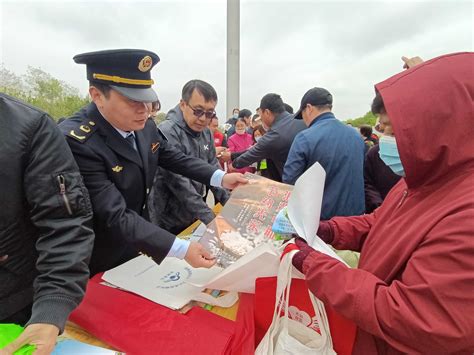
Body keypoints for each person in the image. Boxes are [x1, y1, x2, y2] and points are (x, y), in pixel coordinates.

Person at [292, 52, 474, 354]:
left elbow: (415, 317)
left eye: (391, 130)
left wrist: (315, 265)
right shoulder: (428, 178)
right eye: (381, 129)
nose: (383, 140)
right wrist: (330, 230)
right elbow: (382, 222)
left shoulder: (466, 213)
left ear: (440, 127)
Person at [59, 49, 246, 275]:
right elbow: (114, 214)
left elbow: (174, 158)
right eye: (132, 100)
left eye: (147, 100)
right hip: (98, 253)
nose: (144, 110)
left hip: (141, 239)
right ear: (97, 95)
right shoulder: (78, 142)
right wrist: (181, 249)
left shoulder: (144, 125)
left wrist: (221, 178)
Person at [0, 93, 94, 354]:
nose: (143, 110)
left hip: (12, 304)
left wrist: (52, 305)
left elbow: (65, 223)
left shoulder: (29, 127)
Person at [149, 80, 230, 234]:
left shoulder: (206, 132)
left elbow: (213, 167)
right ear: (183, 104)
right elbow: (179, 183)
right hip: (168, 219)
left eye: (209, 113)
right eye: (198, 111)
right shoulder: (167, 132)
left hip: (194, 214)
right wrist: (211, 219)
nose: (203, 119)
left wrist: (231, 203)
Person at [283, 87, 365, 219]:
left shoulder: (305, 138)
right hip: (355, 221)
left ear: (309, 108)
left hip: (321, 222)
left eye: (302, 114)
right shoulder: (356, 136)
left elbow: (290, 182)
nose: (304, 120)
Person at [222, 93, 306, 182]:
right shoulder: (302, 121)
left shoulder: (275, 134)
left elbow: (252, 154)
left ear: (267, 112)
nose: (261, 118)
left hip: (291, 185)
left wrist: (234, 164)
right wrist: (232, 156)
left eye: (260, 115)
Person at [364, 116, 401, 213]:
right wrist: (378, 205)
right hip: (379, 212)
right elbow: (367, 182)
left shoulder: (416, 153)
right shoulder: (374, 153)